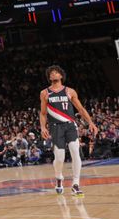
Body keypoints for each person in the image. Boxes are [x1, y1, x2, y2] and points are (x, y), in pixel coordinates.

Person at [39, 65, 98, 197]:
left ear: (61, 75)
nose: (53, 74)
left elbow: (81, 109)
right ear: (49, 77)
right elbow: (43, 113)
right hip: (55, 127)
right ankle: (59, 177)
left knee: (75, 152)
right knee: (59, 158)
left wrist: (90, 122)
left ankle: (75, 184)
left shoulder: (69, 91)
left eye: (56, 72)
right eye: (51, 73)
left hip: (70, 125)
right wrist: (43, 127)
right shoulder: (45, 93)